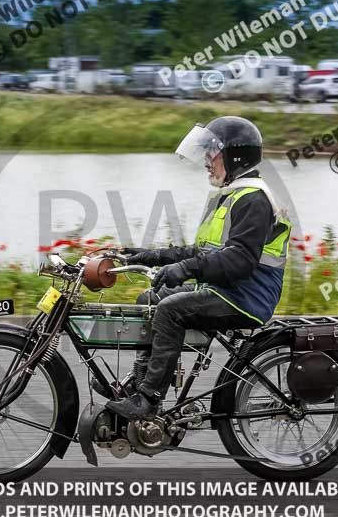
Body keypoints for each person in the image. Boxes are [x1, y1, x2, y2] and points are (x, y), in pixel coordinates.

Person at [105, 116, 292, 420]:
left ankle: (148, 400)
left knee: (169, 309)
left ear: (235, 156)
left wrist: (186, 270)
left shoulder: (253, 199)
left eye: (213, 152)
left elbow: (240, 261)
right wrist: (149, 256)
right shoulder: (230, 196)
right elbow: (201, 252)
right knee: (149, 300)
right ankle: (139, 383)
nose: (207, 160)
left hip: (247, 297)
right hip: (226, 289)